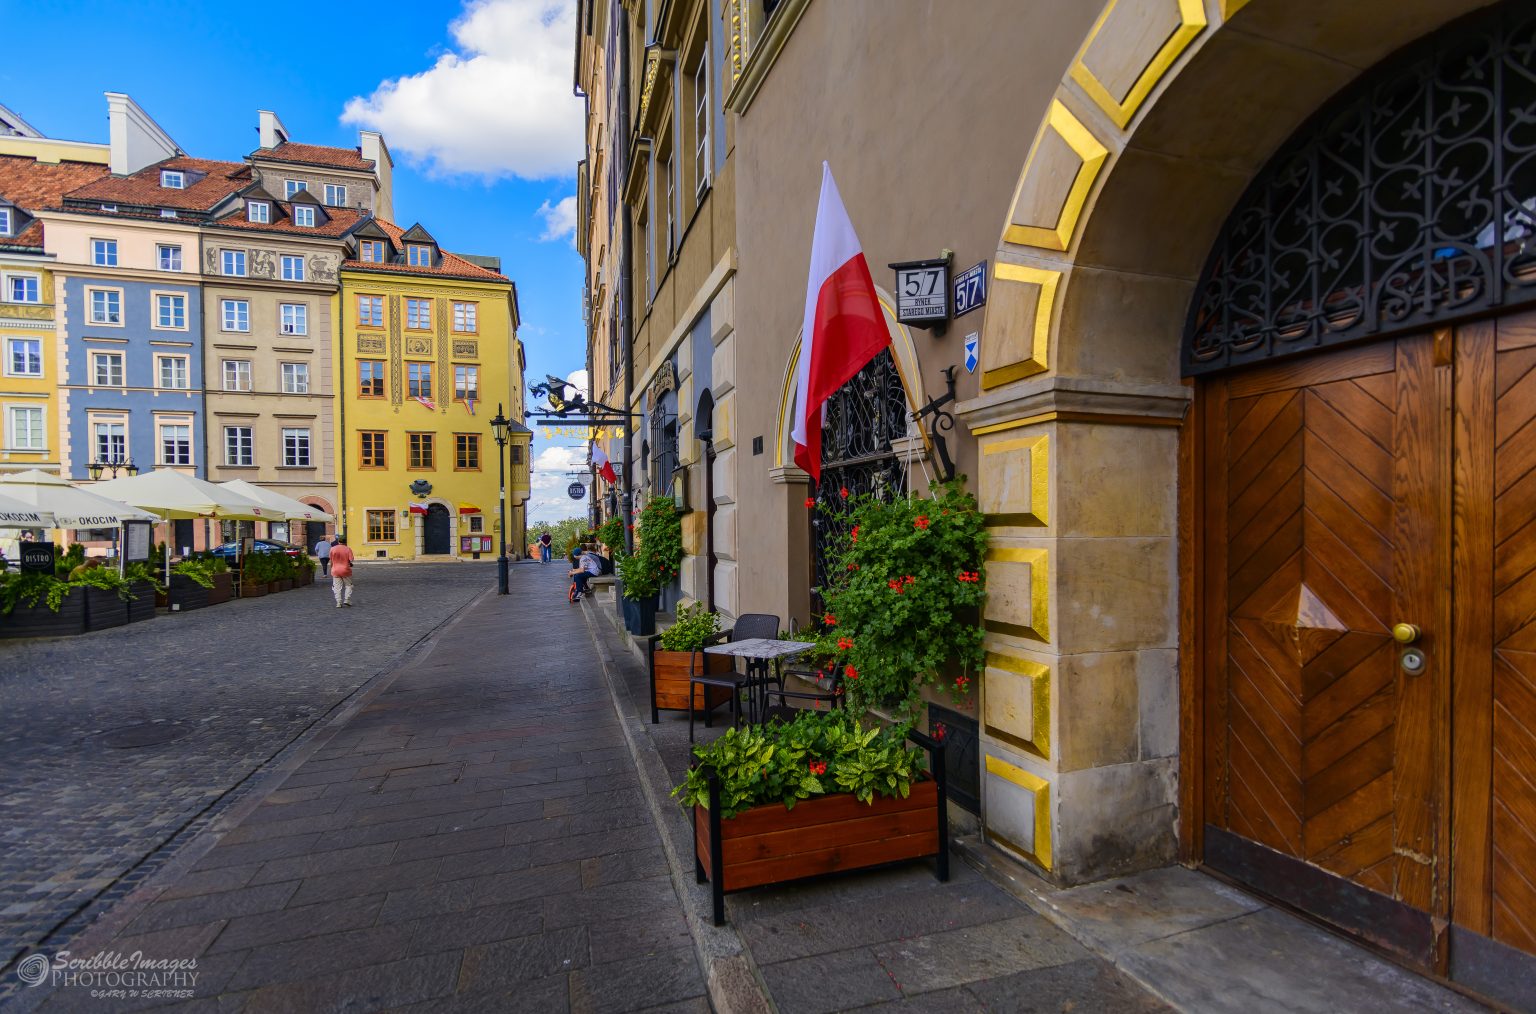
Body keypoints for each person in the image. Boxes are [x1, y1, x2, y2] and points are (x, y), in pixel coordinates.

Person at [329, 534, 355, 608]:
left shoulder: (332, 549)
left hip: (335, 570)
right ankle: (347, 599)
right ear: (345, 541)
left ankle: (338, 602)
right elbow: (351, 559)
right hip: (345, 570)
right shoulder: (348, 549)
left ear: (338, 541)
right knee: (349, 585)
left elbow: (331, 561)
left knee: (337, 587)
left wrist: (331, 568)